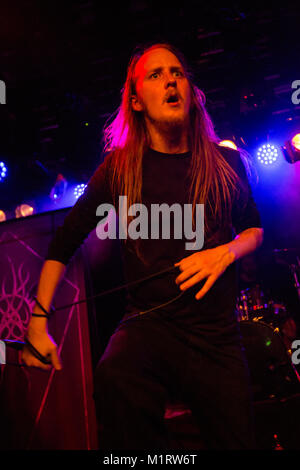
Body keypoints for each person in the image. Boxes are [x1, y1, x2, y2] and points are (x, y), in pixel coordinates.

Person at [21, 43, 264, 450]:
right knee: (115, 377)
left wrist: (224, 253)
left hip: (215, 336)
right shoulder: (119, 169)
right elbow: (64, 242)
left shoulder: (224, 163)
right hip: (148, 326)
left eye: (178, 73)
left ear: (190, 90)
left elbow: (254, 229)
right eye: (156, 75)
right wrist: (37, 321)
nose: (171, 80)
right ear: (136, 101)